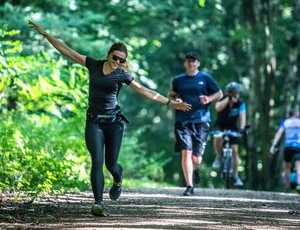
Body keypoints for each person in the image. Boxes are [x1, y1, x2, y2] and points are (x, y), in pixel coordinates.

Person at [28, 20, 192, 216]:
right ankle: (98, 203)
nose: (119, 63)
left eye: (123, 60)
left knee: (111, 164)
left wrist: (169, 103)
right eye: (116, 58)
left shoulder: (122, 74)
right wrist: (46, 35)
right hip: (94, 121)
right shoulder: (94, 65)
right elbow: (68, 51)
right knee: (97, 161)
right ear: (109, 54)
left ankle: (117, 178)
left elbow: (144, 90)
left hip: (114, 124)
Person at [169, 51, 223, 196]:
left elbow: (219, 94)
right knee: (186, 151)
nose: (191, 64)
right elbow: (172, 94)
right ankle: (189, 185)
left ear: (198, 63)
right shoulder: (178, 80)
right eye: (188, 61)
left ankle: (195, 169)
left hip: (201, 120)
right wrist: (176, 100)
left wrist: (209, 99)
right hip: (182, 121)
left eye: (194, 61)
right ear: (185, 63)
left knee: (196, 158)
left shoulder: (205, 78)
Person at [212, 82, 246, 186]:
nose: (235, 95)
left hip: (233, 128)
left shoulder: (240, 103)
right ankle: (218, 157)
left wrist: (242, 129)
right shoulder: (222, 99)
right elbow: (217, 108)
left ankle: (235, 176)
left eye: (237, 93)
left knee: (235, 151)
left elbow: (243, 118)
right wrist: (228, 99)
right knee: (217, 138)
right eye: (233, 93)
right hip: (220, 126)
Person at [270, 110, 300, 193]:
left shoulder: (286, 122)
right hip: (298, 146)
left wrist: (274, 145)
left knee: (287, 167)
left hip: (288, 147)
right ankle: (299, 184)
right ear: (295, 114)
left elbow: (279, 133)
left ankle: (287, 187)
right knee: (299, 166)